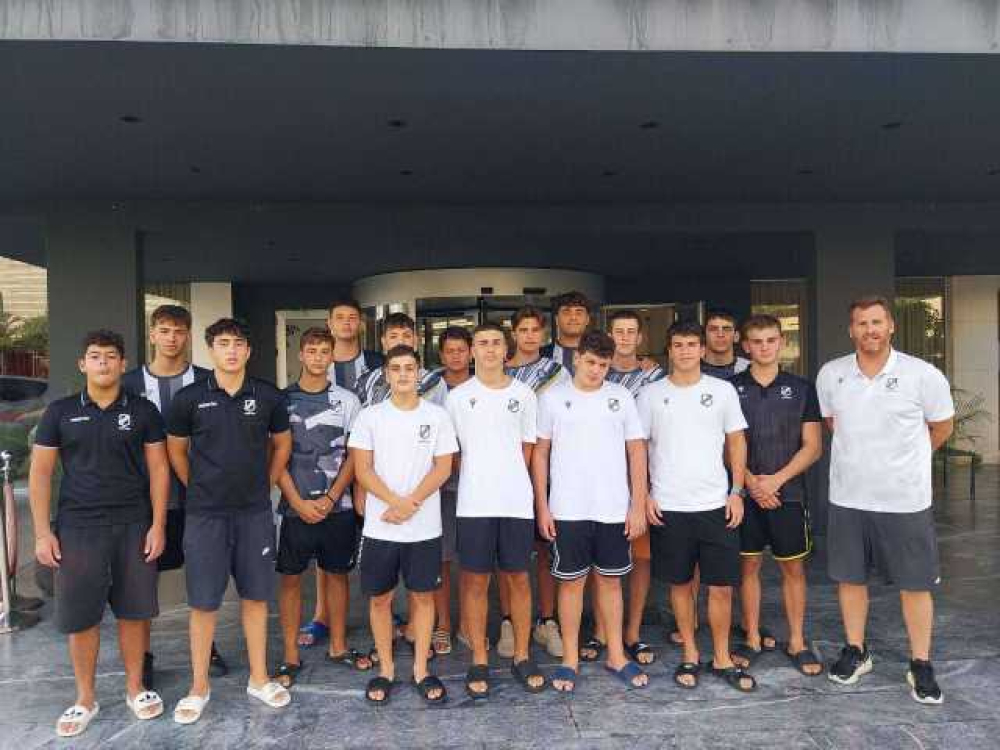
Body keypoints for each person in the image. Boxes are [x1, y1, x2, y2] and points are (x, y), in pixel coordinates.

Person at [29, 330, 171, 738]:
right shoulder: (59, 412)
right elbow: (40, 474)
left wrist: (158, 524)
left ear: (123, 364)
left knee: (134, 611)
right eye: (95, 356)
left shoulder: (143, 410)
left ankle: (135, 688)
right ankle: (85, 698)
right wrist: (42, 533)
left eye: (111, 356)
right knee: (81, 616)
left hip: (133, 523)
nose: (103, 363)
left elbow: (159, 469)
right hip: (78, 526)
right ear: (82, 364)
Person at [817, 296, 954, 704]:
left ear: (891, 326)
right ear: (851, 330)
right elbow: (833, 424)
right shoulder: (832, 374)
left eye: (877, 322)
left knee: (915, 584)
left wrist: (907, 462)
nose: (870, 330)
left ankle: (921, 663)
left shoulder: (922, 375)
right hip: (848, 497)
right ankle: (856, 651)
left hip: (905, 501)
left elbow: (942, 427)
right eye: (861, 323)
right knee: (851, 579)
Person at [166, 318, 293, 724]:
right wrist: (198, 486)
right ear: (211, 350)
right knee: (204, 602)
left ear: (249, 351)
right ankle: (198, 687)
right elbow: (176, 451)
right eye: (224, 344)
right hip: (205, 515)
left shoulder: (268, 396)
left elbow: (283, 445)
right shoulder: (188, 398)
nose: (232, 351)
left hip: (254, 513)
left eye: (239, 344)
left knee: (256, 597)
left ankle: (259, 678)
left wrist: (267, 483)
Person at [638, 320, 757, 694]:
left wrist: (736, 490)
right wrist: (645, 494)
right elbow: (638, 448)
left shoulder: (722, 391)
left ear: (702, 350)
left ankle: (721, 657)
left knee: (721, 587)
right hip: (669, 505)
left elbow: (736, 442)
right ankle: (690, 652)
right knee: (680, 585)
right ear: (669, 351)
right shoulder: (650, 395)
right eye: (679, 345)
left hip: (715, 504)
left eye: (692, 344)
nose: (686, 351)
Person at [534, 331, 650, 693]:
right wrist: (542, 505)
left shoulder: (621, 397)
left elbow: (636, 451)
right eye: (590, 362)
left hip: (613, 509)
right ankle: (570, 659)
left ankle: (616, 654)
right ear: (576, 359)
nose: (596, 370)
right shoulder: (553, 398)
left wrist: (637, 505)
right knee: (571, 584)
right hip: (568, 508)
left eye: (603, 364)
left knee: (611, 582)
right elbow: (540, 453)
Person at [120, 304, 228, 685]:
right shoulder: (129, 383)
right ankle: (143, 655)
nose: (171, 338)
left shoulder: (208, 379)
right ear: (152, 334)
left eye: (179, 331)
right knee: (142, 580)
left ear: (188, 336)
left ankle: (206, 646)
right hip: (143, 501)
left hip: (198, 497)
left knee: (202, 574)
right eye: (164, 330)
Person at [348, 345, 458, 705]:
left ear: (419, 372)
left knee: (423, 597)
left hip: (423, 528)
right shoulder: (370, 417)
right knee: (380, 599)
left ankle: (421, 670)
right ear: (386, 374)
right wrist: (396, 503)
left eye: (409, 368)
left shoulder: (438, 416)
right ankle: (386, 669)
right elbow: (362, 469)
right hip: (381, 527)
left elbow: (443, 468)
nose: (403, 374)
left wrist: (410, 503)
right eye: (396, 368)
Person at [447, 323, 546, 698]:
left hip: (515, 502)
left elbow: (527, 449)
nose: (489, 349)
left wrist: (508, 478)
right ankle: (479, 658)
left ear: (506, 350)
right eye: (482, 343)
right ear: (472, 351)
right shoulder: (458, 397)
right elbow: (452, 452)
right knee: (474, 581)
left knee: (518, 578)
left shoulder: (524, 394)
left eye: (496, 343)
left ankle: (522, 655)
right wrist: (479, 475)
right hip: (474, 503)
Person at [273, 327, 372, 689]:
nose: (318, 357)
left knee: (337, 575)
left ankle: (338, 646)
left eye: (324, 351)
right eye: (311, 351)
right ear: (301, 355)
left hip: (338, 507)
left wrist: (332, 498)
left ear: (332, 357)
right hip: (294, 508)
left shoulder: (347, 400)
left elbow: (354, 455)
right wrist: (298, 502)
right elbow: (275, 457)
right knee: (290, 579)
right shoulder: (281, 400)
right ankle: (289, 656)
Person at [730, 314, 823, 675]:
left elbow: (812, 446)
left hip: (789, 495)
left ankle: (797, 640)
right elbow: (725, 444)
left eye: (771, 340)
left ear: (782, 342)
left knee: (793, 569)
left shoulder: (802, 388)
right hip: (745, 495)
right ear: (745, 346)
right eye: (757, 341)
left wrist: (775, 481)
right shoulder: (730, 388)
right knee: (748, 566)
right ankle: (752, 636)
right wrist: (752, 483)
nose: (764, 347)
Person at [296, 300, 384, 650]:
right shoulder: (317, 365)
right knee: (327, 552)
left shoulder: (377, 363)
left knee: (378, 542)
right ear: (329, 323)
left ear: (360, 324)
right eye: (340, 318)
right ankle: (323, 616)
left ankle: (384, 609)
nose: (346, 323)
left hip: (376, 467)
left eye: (352, 318)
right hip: (330, 472)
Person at [590, 309, 665, 666]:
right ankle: (602, 631)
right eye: (618, 331)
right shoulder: (595, 372)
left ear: (639, 337)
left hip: (641, 474)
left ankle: (632, 631)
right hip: (600, 477)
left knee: (640, 557)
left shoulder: (654, 376)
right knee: (600, 559)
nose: (624, 337)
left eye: (630, 331)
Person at [505, 306, 567, 658]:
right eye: (523, 329)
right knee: (506, 553)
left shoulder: (557, 372)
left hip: (547, 468)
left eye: (535, 330)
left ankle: (547, 620)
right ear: (514, 333)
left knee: (545, 547)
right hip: (507, 469)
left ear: (544, 334)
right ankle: (509, 621)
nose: (529, 336)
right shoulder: (499, 370)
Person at [433, 326, 473, 655]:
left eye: (462, 350)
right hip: (441, 486)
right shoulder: (430, 387)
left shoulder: (484, 384)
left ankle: (469, 625)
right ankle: (443, 624)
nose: (456, 356)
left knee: (474, 560)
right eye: (450, 350)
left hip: (477, 486)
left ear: (470, 353)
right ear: (441, 355)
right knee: (443, 558)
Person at [354, 312, 447, 408]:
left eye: (406, 336)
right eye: (393, 336)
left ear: (415, 341)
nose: (400, 342)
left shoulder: (434, 382)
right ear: (384, 342)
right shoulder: (366, 382)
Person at [541, 291, 591, 374]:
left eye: (579, 313)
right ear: (556, 319)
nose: (573, 317)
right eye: (566, 312)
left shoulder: (601, 356)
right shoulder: (539, 355)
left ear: (587, 320)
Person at [701, 308, 751, 380]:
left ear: (736, 336)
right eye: (713, 329)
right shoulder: (691, 369)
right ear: (704, 336)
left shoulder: (750, 369)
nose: (720, 334)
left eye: (726, 329)